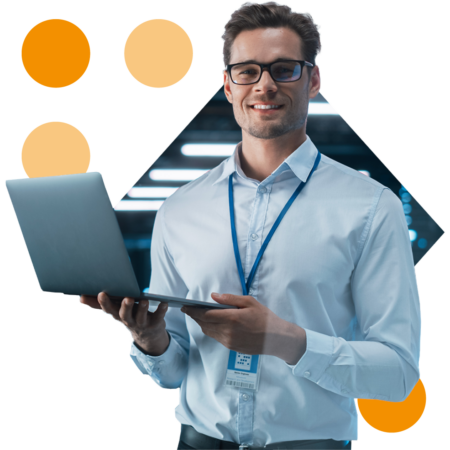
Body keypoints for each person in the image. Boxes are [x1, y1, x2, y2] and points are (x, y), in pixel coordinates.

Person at [80, 1, 422, 449]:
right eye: (247, 71)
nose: (264, 84)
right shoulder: (181, 208)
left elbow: (397, 374)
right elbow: (176, 370)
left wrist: (286, 341)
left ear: (314, 80)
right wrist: (152, 339)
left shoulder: (371, 208)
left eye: (284, 69)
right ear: (227, 84)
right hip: (197, 441)